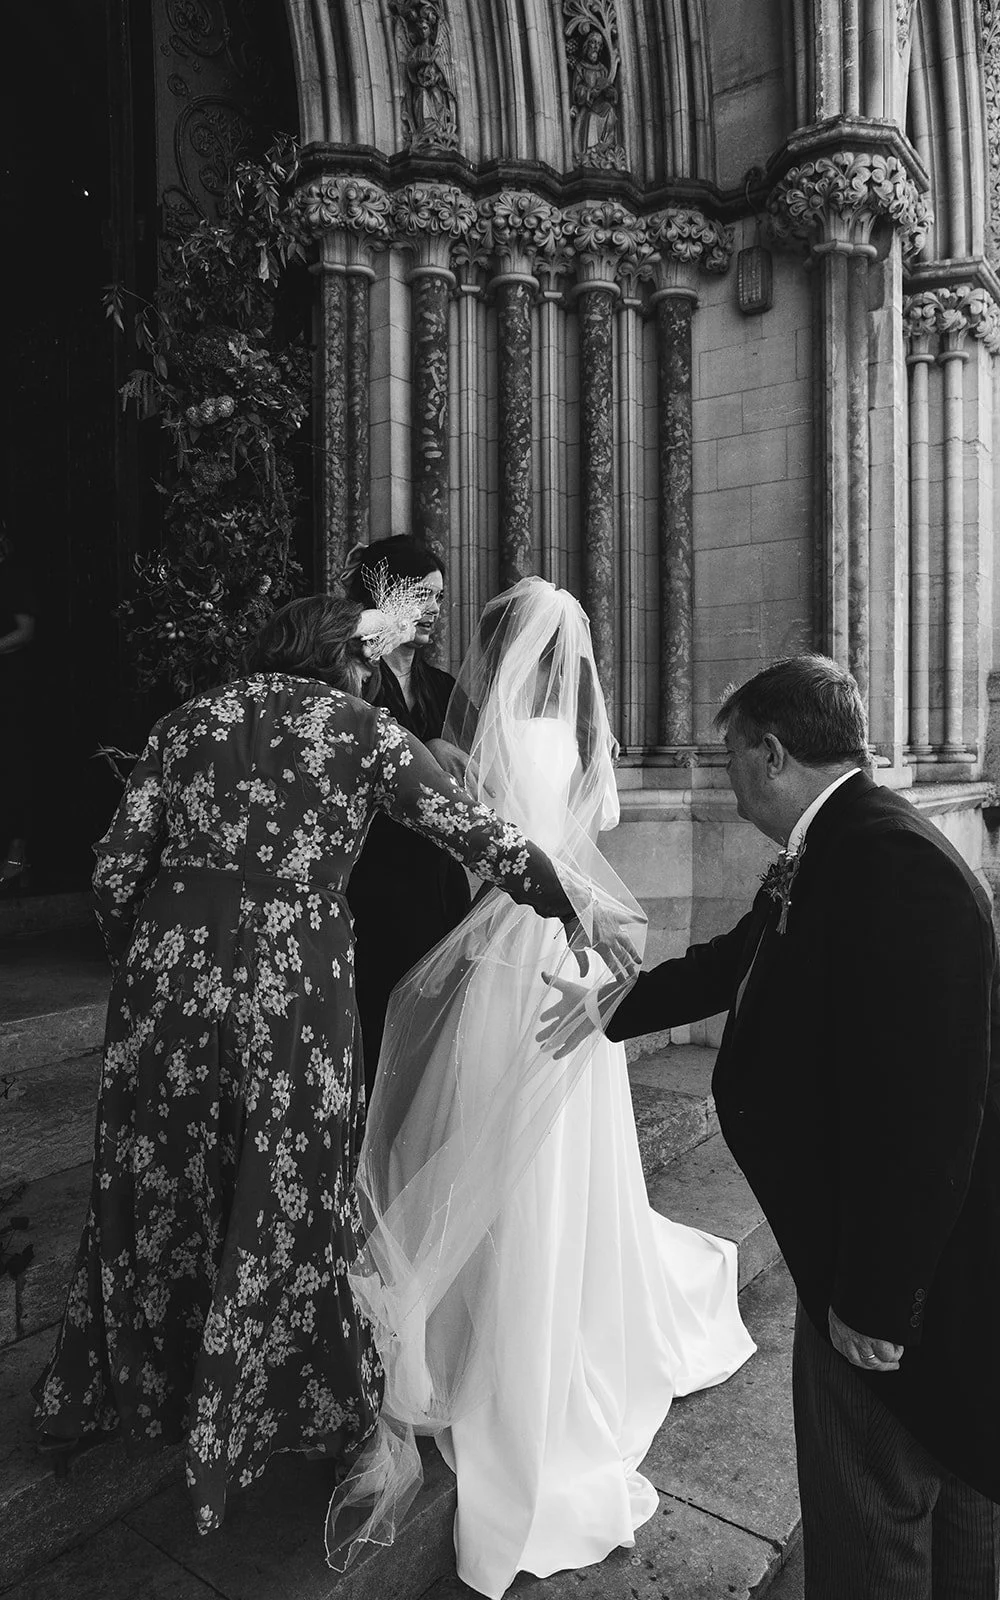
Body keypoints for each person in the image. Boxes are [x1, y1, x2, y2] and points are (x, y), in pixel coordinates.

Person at [32, 592, 619, 1538]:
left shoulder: (185, 723)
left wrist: (141, 956)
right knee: (285, 1176)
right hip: (292, 984)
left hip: (169, 976)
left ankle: (145, 1379)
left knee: (162, 1174)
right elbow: (478, 834)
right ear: (345, 658)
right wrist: (569, 905)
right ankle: (255, 1402)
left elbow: (111, 869)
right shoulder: (363, 729)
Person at [543, 654, 1000, 1598]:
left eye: (731, 754)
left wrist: (874, 1298)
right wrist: (608, 1007)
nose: (723, 776)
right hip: (915, 1239)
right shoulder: (837, 844)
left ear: (773, 753)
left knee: (868, 1493)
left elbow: (929, 1107)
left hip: (916, 1251)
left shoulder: (895, 863)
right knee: (945, 1466)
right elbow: (739, 957)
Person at [328, 579, 755, 1597]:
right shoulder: (586, 743)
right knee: (563, 1155)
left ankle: (487, 1307)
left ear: (497, 651)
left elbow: (467, 836)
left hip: (507, 955)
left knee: (482, 1132)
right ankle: (553, 1302)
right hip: (575, 959)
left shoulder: (484, 749)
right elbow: (590, 826)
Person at [341, 537, 471, 1097]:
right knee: (378, 1015)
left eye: (440, 598)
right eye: (422, 594)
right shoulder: (353, 678)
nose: (435, 608)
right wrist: (424, 750)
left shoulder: (443, 686)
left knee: (435, 1025)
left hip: (438, 874)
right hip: (375, 876)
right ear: (383, 593)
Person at [0, 529, 36, 887]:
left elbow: (25, 632)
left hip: (10, 688)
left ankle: (17, 853)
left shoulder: (13, 579)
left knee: (13, 767)